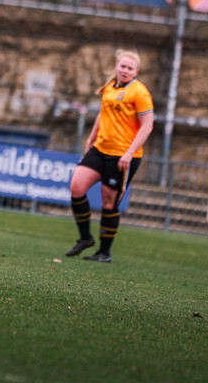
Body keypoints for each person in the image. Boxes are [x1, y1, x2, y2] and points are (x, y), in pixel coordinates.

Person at [64, 49, 154, 263]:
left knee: (108, 203)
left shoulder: (140, 93)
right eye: (122, 66)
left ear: (136, 71)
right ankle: (85, 238)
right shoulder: (109, 88)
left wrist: (129, 154)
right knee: (77, 187)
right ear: (116, 66)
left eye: (130, 68)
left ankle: (104, 252)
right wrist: (90, 139)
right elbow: (103, 115)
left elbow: (147, 127)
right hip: (100, 148)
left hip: (122, 155)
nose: (125, 70)